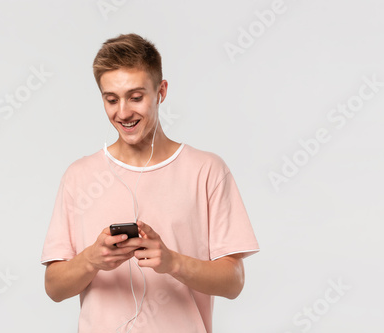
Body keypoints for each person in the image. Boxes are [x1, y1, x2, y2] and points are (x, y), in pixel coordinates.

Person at [41, 33, 259, 333]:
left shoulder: (207, 170)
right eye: (111, 99)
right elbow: (54, 288)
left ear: (161, 91)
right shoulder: (78, 176)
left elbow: (234, 282)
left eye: (136, 96)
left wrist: (173, 262)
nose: (123, 112)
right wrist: (91, 259)